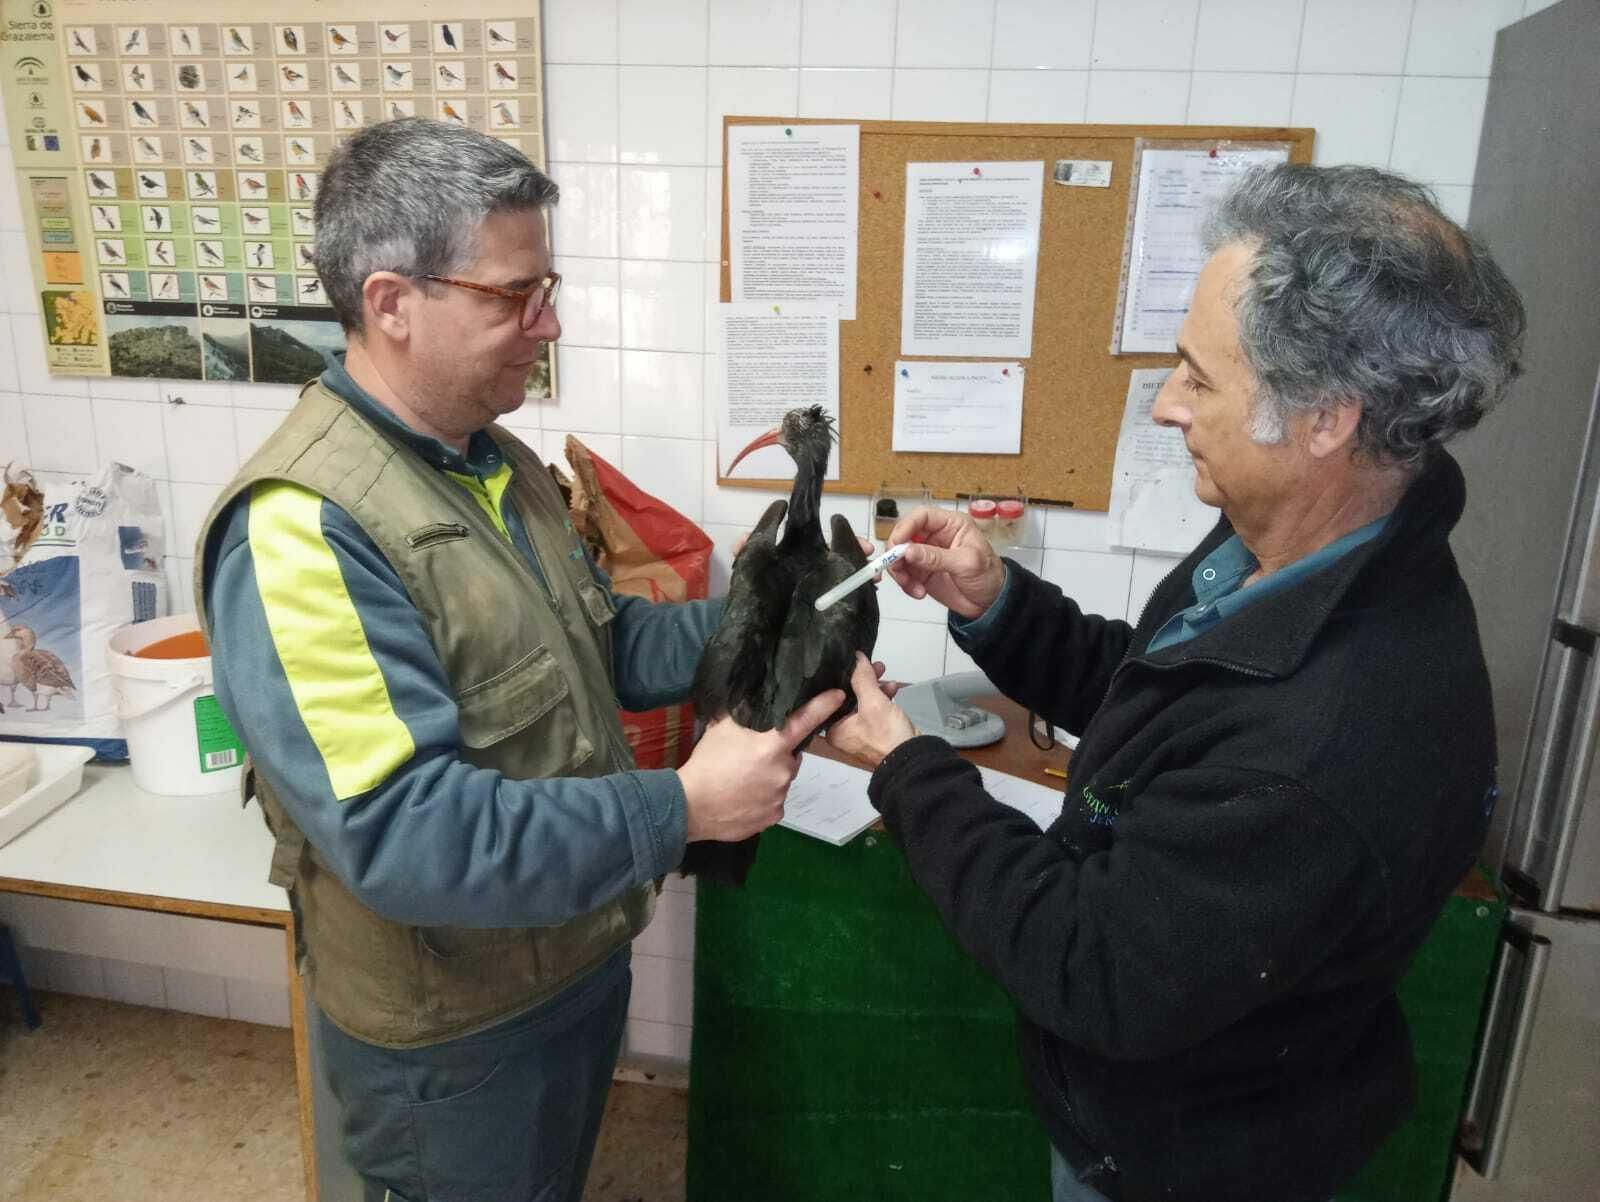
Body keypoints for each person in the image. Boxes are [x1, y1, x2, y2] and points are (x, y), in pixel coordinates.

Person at [824, 164, 1526, 1202]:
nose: (1164, 405)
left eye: (1197, 378)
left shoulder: (1332, 742)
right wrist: (997, 602)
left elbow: (1089, 964)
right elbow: (1161, 702)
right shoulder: (1297, 550)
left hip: (1185, 1163)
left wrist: (906, 764)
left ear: (1326, 416)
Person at [196, 118, 842, 1202]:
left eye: (548, 287)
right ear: (391, 303)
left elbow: (602, 644)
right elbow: (404, 832)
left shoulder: (493, 462)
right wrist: (683, 807)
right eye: (514, 295)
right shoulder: (304, 527)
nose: (549, 322)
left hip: (569, 958)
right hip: (450, 1036)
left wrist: (780, 614)